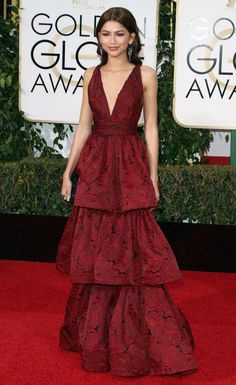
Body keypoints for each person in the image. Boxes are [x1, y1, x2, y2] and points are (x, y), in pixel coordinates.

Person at [56, 6, 197, 377]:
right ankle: (96, 333)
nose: (113, 41)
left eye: (120, 34)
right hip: (97, 165)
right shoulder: (90, 74)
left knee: (133, 249)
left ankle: (138, 334)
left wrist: (153, 176)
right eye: (106, 34)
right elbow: (83, 127)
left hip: (129, 164)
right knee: (98, 246)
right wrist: (68, 172)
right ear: (98, 38)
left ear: (132, 37)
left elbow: (151, 128)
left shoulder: (145, 75)